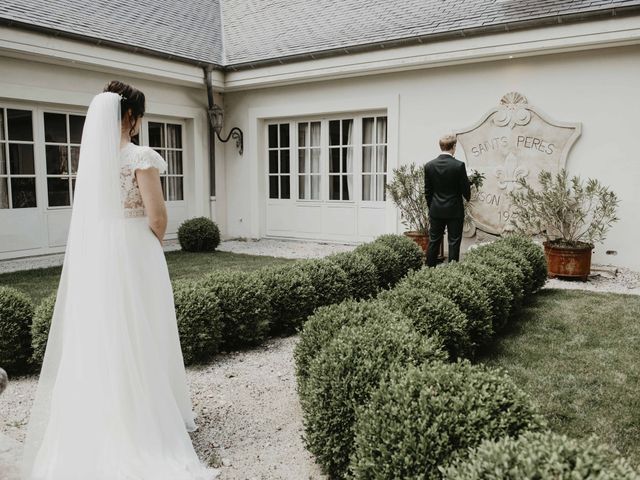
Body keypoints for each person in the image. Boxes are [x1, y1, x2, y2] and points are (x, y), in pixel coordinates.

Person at [21, 81, 220, 479]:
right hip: (134, 249)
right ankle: (150, 418)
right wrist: (150, 247)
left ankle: (107, 414)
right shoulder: (139, 156)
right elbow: (158, 217)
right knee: (146, 325)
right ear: (130, 116)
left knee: (108, 331)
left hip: (101, 254)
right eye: (140, 115)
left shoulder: (92, 162)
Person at [424, 133, 471, 267]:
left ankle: (429, 269)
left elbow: (427, 191)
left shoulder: (429, 165)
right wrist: (468, 192)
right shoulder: (458, 165)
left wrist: (432, 206)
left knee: (434, 241)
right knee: (454, 242)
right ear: (454, 146)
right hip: (454, 210)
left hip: (436, 210)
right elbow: (465, 190)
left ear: (441, 147)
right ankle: (452, 271)